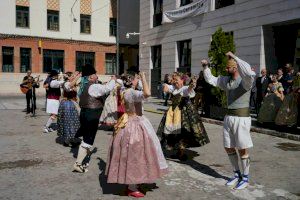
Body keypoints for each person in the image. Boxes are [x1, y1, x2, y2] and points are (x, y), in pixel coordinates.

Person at [106, 72, 168, 198]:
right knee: (135, 155)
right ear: (132, 80)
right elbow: (147, 94)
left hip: (128, 122)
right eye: (136, 79)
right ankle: (132, 186)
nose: (138, 80)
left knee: (129, 154)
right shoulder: (131, 92)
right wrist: (144, 78)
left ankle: (133, 182)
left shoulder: (124, 91)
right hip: (134, 124)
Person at [203, 51, 256, 190]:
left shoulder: (246, 81)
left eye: (228, 67)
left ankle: (245, 177)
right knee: (228, 146)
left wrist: (235, 57)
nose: (226, 69)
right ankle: (236, 174)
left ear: (236, 67)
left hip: (242, 118)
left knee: (242, 148)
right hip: (229, 118)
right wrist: (205, 67)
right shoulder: (227, 80)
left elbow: (249, 72)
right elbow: (212, 80)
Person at [73, 64, 116, 173]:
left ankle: (82, 159)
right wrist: (113, 80)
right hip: (91, 115)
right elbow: (107, 89)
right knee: (88, 139)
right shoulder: (93, 86)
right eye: (95, 74)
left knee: (87, 137)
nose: (97, 76)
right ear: (90, 77)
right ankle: (78, 164)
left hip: (86, 114)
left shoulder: (85, 86)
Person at [157, 73, 210, 161]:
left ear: (182, 81)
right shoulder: (173, 88)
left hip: (184, 113)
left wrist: (192, 84)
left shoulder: (184, 88)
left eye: (176, 80)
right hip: (173, 112)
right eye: (174, 80)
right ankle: (178, 151)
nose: (175, 81)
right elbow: (165, 88)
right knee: (174, 132)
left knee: (182, 132)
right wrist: (168, 82)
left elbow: (189, 89)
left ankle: (181, 153)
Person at [57, 71, 81, 146]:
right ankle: (67, 140)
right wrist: (78, 76)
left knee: (74, 122)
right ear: (68, 77)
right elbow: (69, 86)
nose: (74, 77)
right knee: (68, 122)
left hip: (73, 104)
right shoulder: (66, 83)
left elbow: (77, 91)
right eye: (73, 76)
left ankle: (72, 139)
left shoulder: (74, 84)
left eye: (74, 76)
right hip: (67, 104)